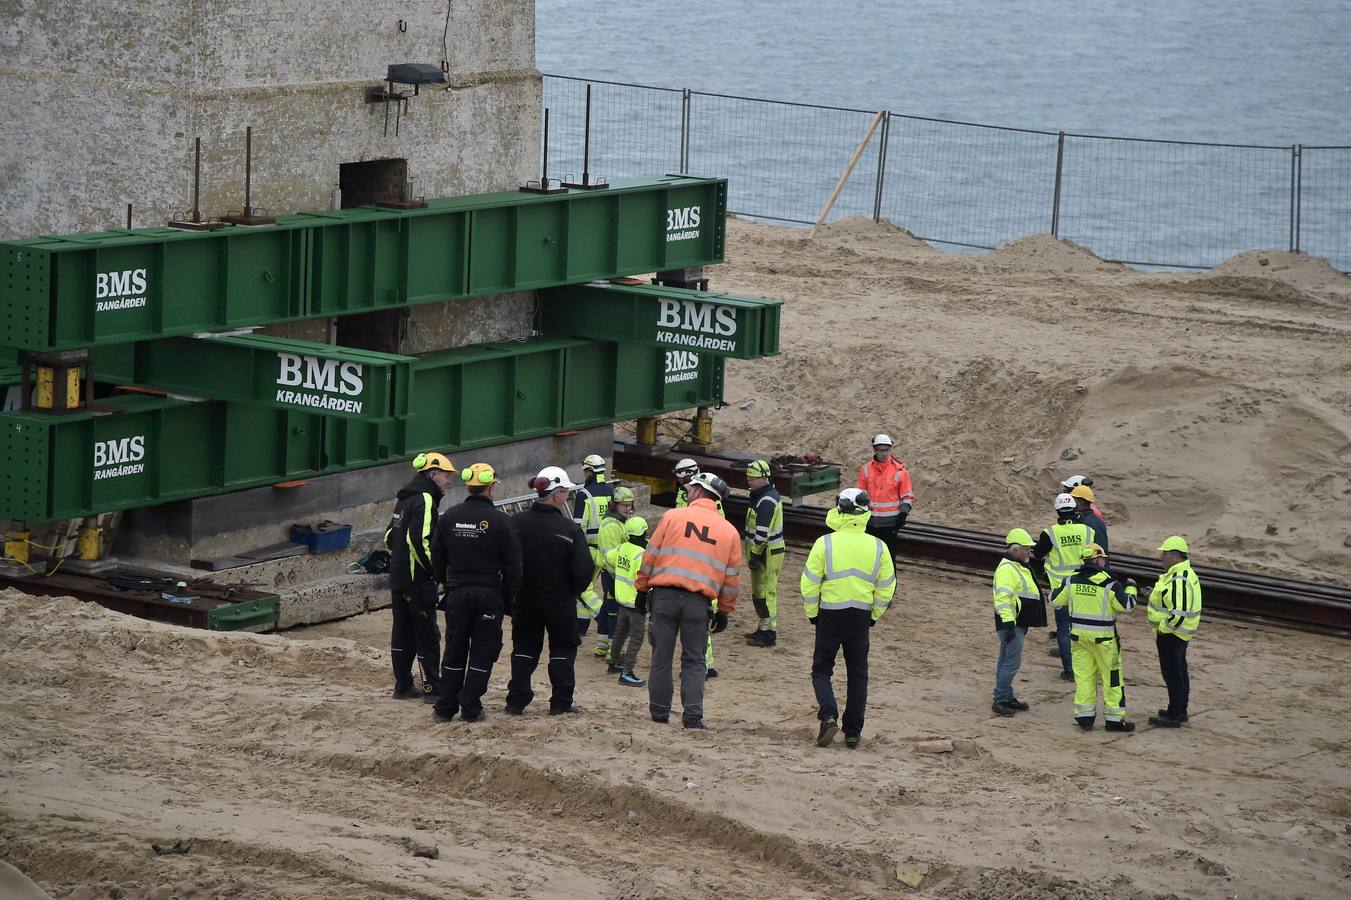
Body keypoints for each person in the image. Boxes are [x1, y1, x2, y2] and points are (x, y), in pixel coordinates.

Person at [635, 472, 741, 729]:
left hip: (664, 597)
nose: (688, 490)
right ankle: (692, 716)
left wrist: (641, 589)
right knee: (694, 660)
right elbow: (732, 577)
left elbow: (650, 556)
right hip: (699, 603)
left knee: (661, 656)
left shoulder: (673, 516)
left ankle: (659, 712)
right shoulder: (729, 532)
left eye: (691, 487)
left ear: (699, 492)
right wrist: (724, 610)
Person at [800, 488, 895, 749]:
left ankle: (829, 715)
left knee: (821, 669)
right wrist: (873, 615)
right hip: (860, 617)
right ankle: (852, 733)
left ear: (840, 509)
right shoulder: (878, 546)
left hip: (829, 615)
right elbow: (887, 586)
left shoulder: (825, 542)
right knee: (858, 675)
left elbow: (808, 584)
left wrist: (813, 615)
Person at [429, 463, 523, 723]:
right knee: (483, 651)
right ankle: (470, 707)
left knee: (454, 650)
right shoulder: (501, 521)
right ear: (491, 489)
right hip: (488, 595)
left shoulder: (449, 516)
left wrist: (447, 582)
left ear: (469, 486)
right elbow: (514, 564)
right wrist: (511, 597)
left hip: (457, 593)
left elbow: (437, 556)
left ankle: (444, 708)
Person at [505, 466, 596, 716]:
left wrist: (513, 591)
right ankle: (560, 703)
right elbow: (584, 570)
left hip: (524, 600)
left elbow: (505, 561)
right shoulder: (569, 530)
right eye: (565, 492)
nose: (566, 496)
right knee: (563, 649)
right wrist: (571, 591)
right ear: (556, 495)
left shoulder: (515, 523)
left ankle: (516, 701)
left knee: (523, 648)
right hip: (559, 601)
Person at [383, 451, 455, 701]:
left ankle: (402, 686)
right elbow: (420, 541)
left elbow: (389, 537)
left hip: (399, 578)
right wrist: (436, 572)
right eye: (447, 475)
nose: (449, 481)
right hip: (417, 581)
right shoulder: (424, 499)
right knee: (427, 635)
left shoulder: (405, 497)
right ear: (432, 474)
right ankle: (432, 689)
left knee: (402, 633)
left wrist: (401, 562)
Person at [1051, 543, 1138, 731]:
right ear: (1098, 560)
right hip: (1105, 642)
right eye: (1103, 559)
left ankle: (1085, 717)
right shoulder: (1110, 584)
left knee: (1084, 678)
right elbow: (1127, 606)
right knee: (1112, 679)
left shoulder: (1071, 581)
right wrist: (1131, 588)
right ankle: (1114, 720)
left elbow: (1054, 600)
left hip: (1079, 640)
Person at [1030, 493, 1099, 682]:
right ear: (1074, 509)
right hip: (1084, 585)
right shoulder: (1087, 531)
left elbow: (1038, 554)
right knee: (1084, 626)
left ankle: (1069, 670)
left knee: (1063, 627)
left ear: (1058, 511)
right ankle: (1086, 665)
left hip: (1060, 588)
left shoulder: (1050, 533)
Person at [673, 458, 724, 676]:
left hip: (701, 565)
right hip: (698, 563)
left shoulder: (706, 501)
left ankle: (705, 664)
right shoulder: (688, 496)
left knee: (701, 616)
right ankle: (706, 663)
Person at [1147, 535, 1203, 728]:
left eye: (1165, 553)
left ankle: (1175, 714)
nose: (1161, 556)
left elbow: (1178, 613)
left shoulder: (1179, 579)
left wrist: (1163, 629)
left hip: (1172, 634)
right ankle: (1179, 709)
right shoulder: (1182, 574)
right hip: (1178, 633)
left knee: (1173, 674)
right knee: (1179, 672)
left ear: (1175, 556)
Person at [991, 528, 1042, 717]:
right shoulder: (1008, 569)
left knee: (1006, 659)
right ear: (1015, 550)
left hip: (1016, 622)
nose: (1029, 552)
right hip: (1010, 623)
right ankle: (1000, 700)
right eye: (1026, 549)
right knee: (1011, 662)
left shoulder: (1017, 566)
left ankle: (1006, 695)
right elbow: (1002, 600)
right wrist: (1008, 624)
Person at [743, 459, 786, 648]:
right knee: (759, 591)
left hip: (767, 553)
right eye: (748, 477)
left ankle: (769, 633)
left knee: (767, 592)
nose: (749, 481)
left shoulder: (766, 500)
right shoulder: (762, 496)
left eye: (752, 478)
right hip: (764, 552)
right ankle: (763, 627)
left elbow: (762, 533)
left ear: (764, 478)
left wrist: (754, 554)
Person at [592, 485, 635, 666]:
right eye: (623, 505)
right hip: (612, 575)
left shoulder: (621, 522)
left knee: (606, 610)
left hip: (616, 574)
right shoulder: (611, 525)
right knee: (613, 613)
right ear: (614, 505)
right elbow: (610, 557)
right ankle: (612, 649)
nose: (627, 508)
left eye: (629, 505)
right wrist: (621, 575)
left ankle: (602, 646)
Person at [855, 433, 915, 560]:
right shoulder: (865, 469)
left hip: (890, 525)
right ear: (874, 450)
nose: (884, 453)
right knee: (869, 560)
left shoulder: (900, 472)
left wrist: (903, 514)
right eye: (880, 450)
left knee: (887, 560)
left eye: (886, 450)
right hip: (869, 523)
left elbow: (907, 497)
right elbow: (860, 494)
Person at [608, 515, 651, 687]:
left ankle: (615, 662)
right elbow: (643, 579)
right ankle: (627, 672)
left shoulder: (622, 547)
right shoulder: (641, 554)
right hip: (636, 603)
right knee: (636, 637)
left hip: (622, 600)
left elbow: (609, 558)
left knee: (620, 633)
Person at [1070, 485, 1109, 554]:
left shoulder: (1084, 523)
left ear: (1080, 503)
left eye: (1073, 500)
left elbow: (1099, 549)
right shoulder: (1097, 521)